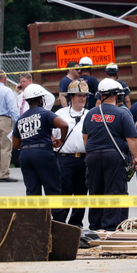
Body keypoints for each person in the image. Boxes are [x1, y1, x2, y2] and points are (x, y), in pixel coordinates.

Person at [82, 78, 137, 231]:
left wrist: (91, 153)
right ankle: (109, 227)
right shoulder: (122, 114)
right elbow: (131, 138)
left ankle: (95, 226)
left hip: (92, 156)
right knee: (113, 190)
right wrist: (136, 157)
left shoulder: (91, 114)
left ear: (100, 95)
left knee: (95, 191)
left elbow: (85, 137)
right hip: (114, 157)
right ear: (117, 95)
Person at [12, 84, 69, 222]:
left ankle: (35, 223)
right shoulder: (45, 113)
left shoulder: (21, 119)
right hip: (43, 153)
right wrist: (60, 140)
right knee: (52, 187)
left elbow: (16, 144)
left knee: (32, 190)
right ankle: (58, 223)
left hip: (25, 155)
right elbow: (64, 125)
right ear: (40, 100)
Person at [53, 80, 90, 227]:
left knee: (81, 193)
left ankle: (76, 223)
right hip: (65, 159)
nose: (82, 99)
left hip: (84, 158)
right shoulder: (60, 114)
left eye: (85, 96)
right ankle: (61, 223)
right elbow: (52, 135)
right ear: (71, 97)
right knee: (64, 192)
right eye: (79, 95)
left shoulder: (90, 115)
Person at [0, 70, 20, 182]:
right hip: (4, 120)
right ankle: (4, 174)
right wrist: (17, 122)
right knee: (5, 148)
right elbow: (12, 109)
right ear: (5, 79)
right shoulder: (7, 91)